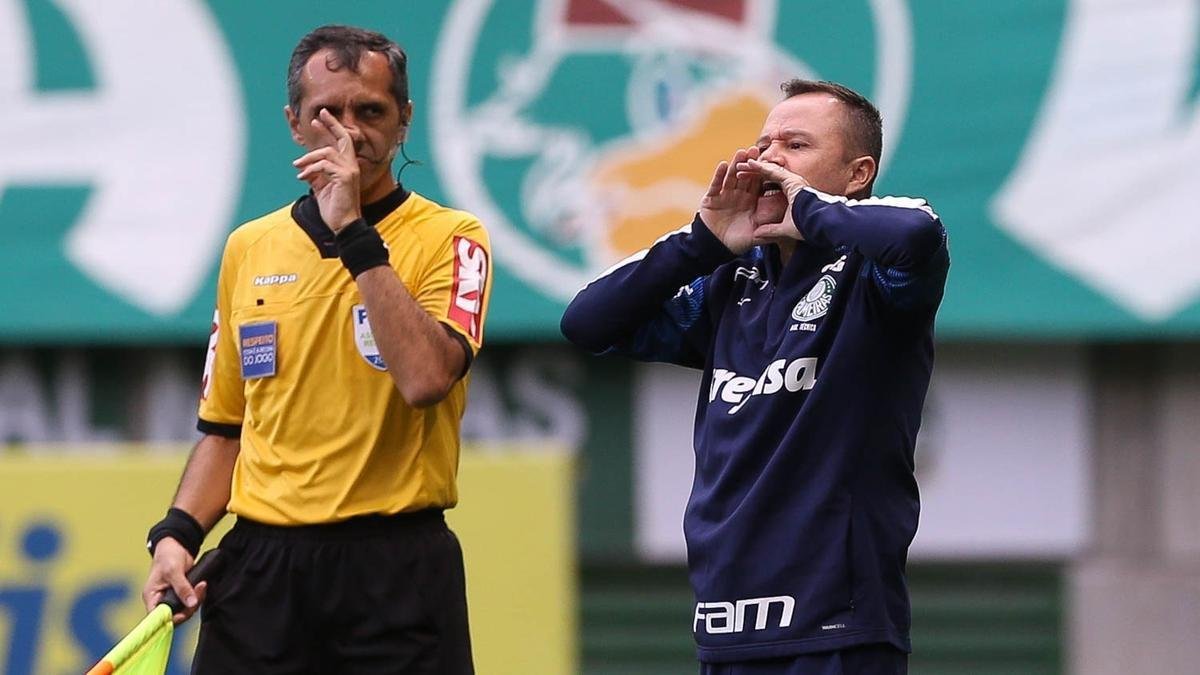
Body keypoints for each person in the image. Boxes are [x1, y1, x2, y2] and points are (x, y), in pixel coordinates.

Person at [561, 79, 949, 674]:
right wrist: (702, 242)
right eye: (764, 144)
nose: (769, 159)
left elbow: (917, 236)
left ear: (858, 174)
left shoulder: (875, 273)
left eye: (796, 145)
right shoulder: (729, 280)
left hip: (835, 628)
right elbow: (586, 322)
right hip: (728, 625)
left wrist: (808, 211)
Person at [140, 25, 490, 673]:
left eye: (371, 111)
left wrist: (351, 229)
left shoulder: (453, 237)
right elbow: (227, 427)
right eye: (328, 113)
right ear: (295, 124)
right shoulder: (250, 246)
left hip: (395, 569)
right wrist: (177, 535)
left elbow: (425, 379)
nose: (350, 131)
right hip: (263, 571)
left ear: (405, 119)